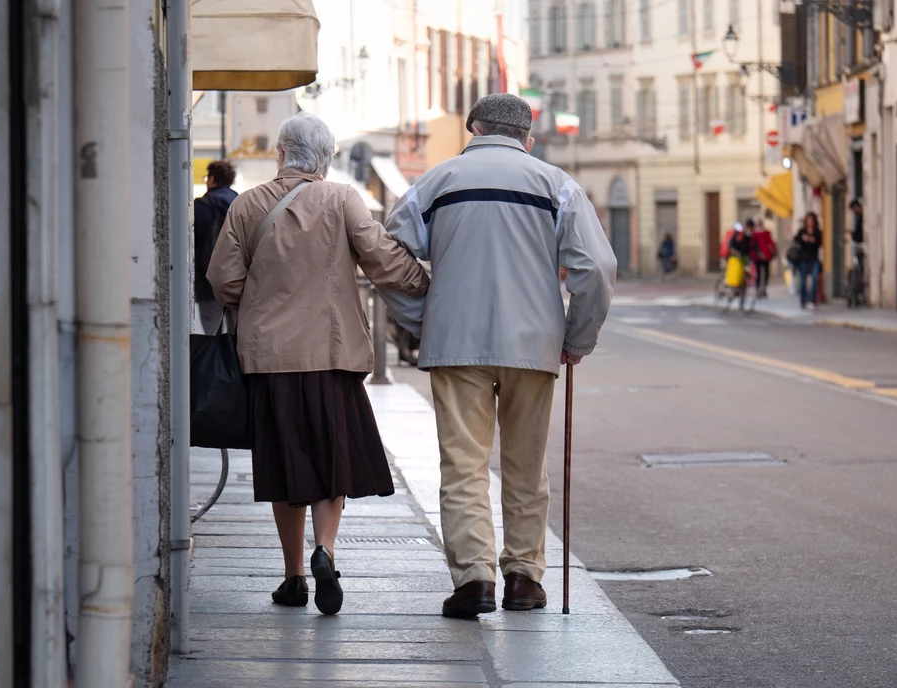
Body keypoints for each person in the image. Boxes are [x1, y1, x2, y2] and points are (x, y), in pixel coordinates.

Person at [381, 93, 617, 619]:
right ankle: (524, 579)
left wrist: (421, 317)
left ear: (475, 130)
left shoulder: (436, 182)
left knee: (463, 464)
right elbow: (597, 268)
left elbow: (387, 257)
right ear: (526, 139)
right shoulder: (556, 185)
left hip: (456, 342)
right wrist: (577, 337)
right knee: (526, 465)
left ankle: (474, 581)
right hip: (533, 344)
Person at [207, 113, 430, 615]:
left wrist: (262, 301)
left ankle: (293, 577)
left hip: (270, 358)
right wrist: (425, 283)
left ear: (280, 154)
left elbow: (222, 279)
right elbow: (380, 258)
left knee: (285, 465)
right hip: (332, 355)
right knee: (333, 459)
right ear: (326, 159)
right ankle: (325, 551)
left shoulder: (248, 204)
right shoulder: (342, 199)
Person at [194, 159, 239, 333]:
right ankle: (233, 361)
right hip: (236, 282)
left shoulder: (199, 207)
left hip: (207, 283)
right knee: (238, 337)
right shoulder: (241, 203)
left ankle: (214, 361)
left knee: (211, 336)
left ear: (212, 179)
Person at [794, 212, 823, 310]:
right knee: (803, 281)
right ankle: (803, 300)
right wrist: (803, 238)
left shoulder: (817, 232)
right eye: (808, 220)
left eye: (812, 220)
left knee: (815, 279)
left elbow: (819, 243)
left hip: (814, 258)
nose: (810, 222)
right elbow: (796, 240)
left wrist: (811, 240)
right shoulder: (802, 231)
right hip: (803, 258)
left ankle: (812, 300)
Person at [750, 216, 777, 298]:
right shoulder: (753, 233)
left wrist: (773, 250)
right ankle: (758, 289)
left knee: (766, 273)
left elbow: (770, 242)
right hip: (757, 256)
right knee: (758, 273)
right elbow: (752, 245)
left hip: (766, 255)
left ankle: (764, 289)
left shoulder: (766, 232)